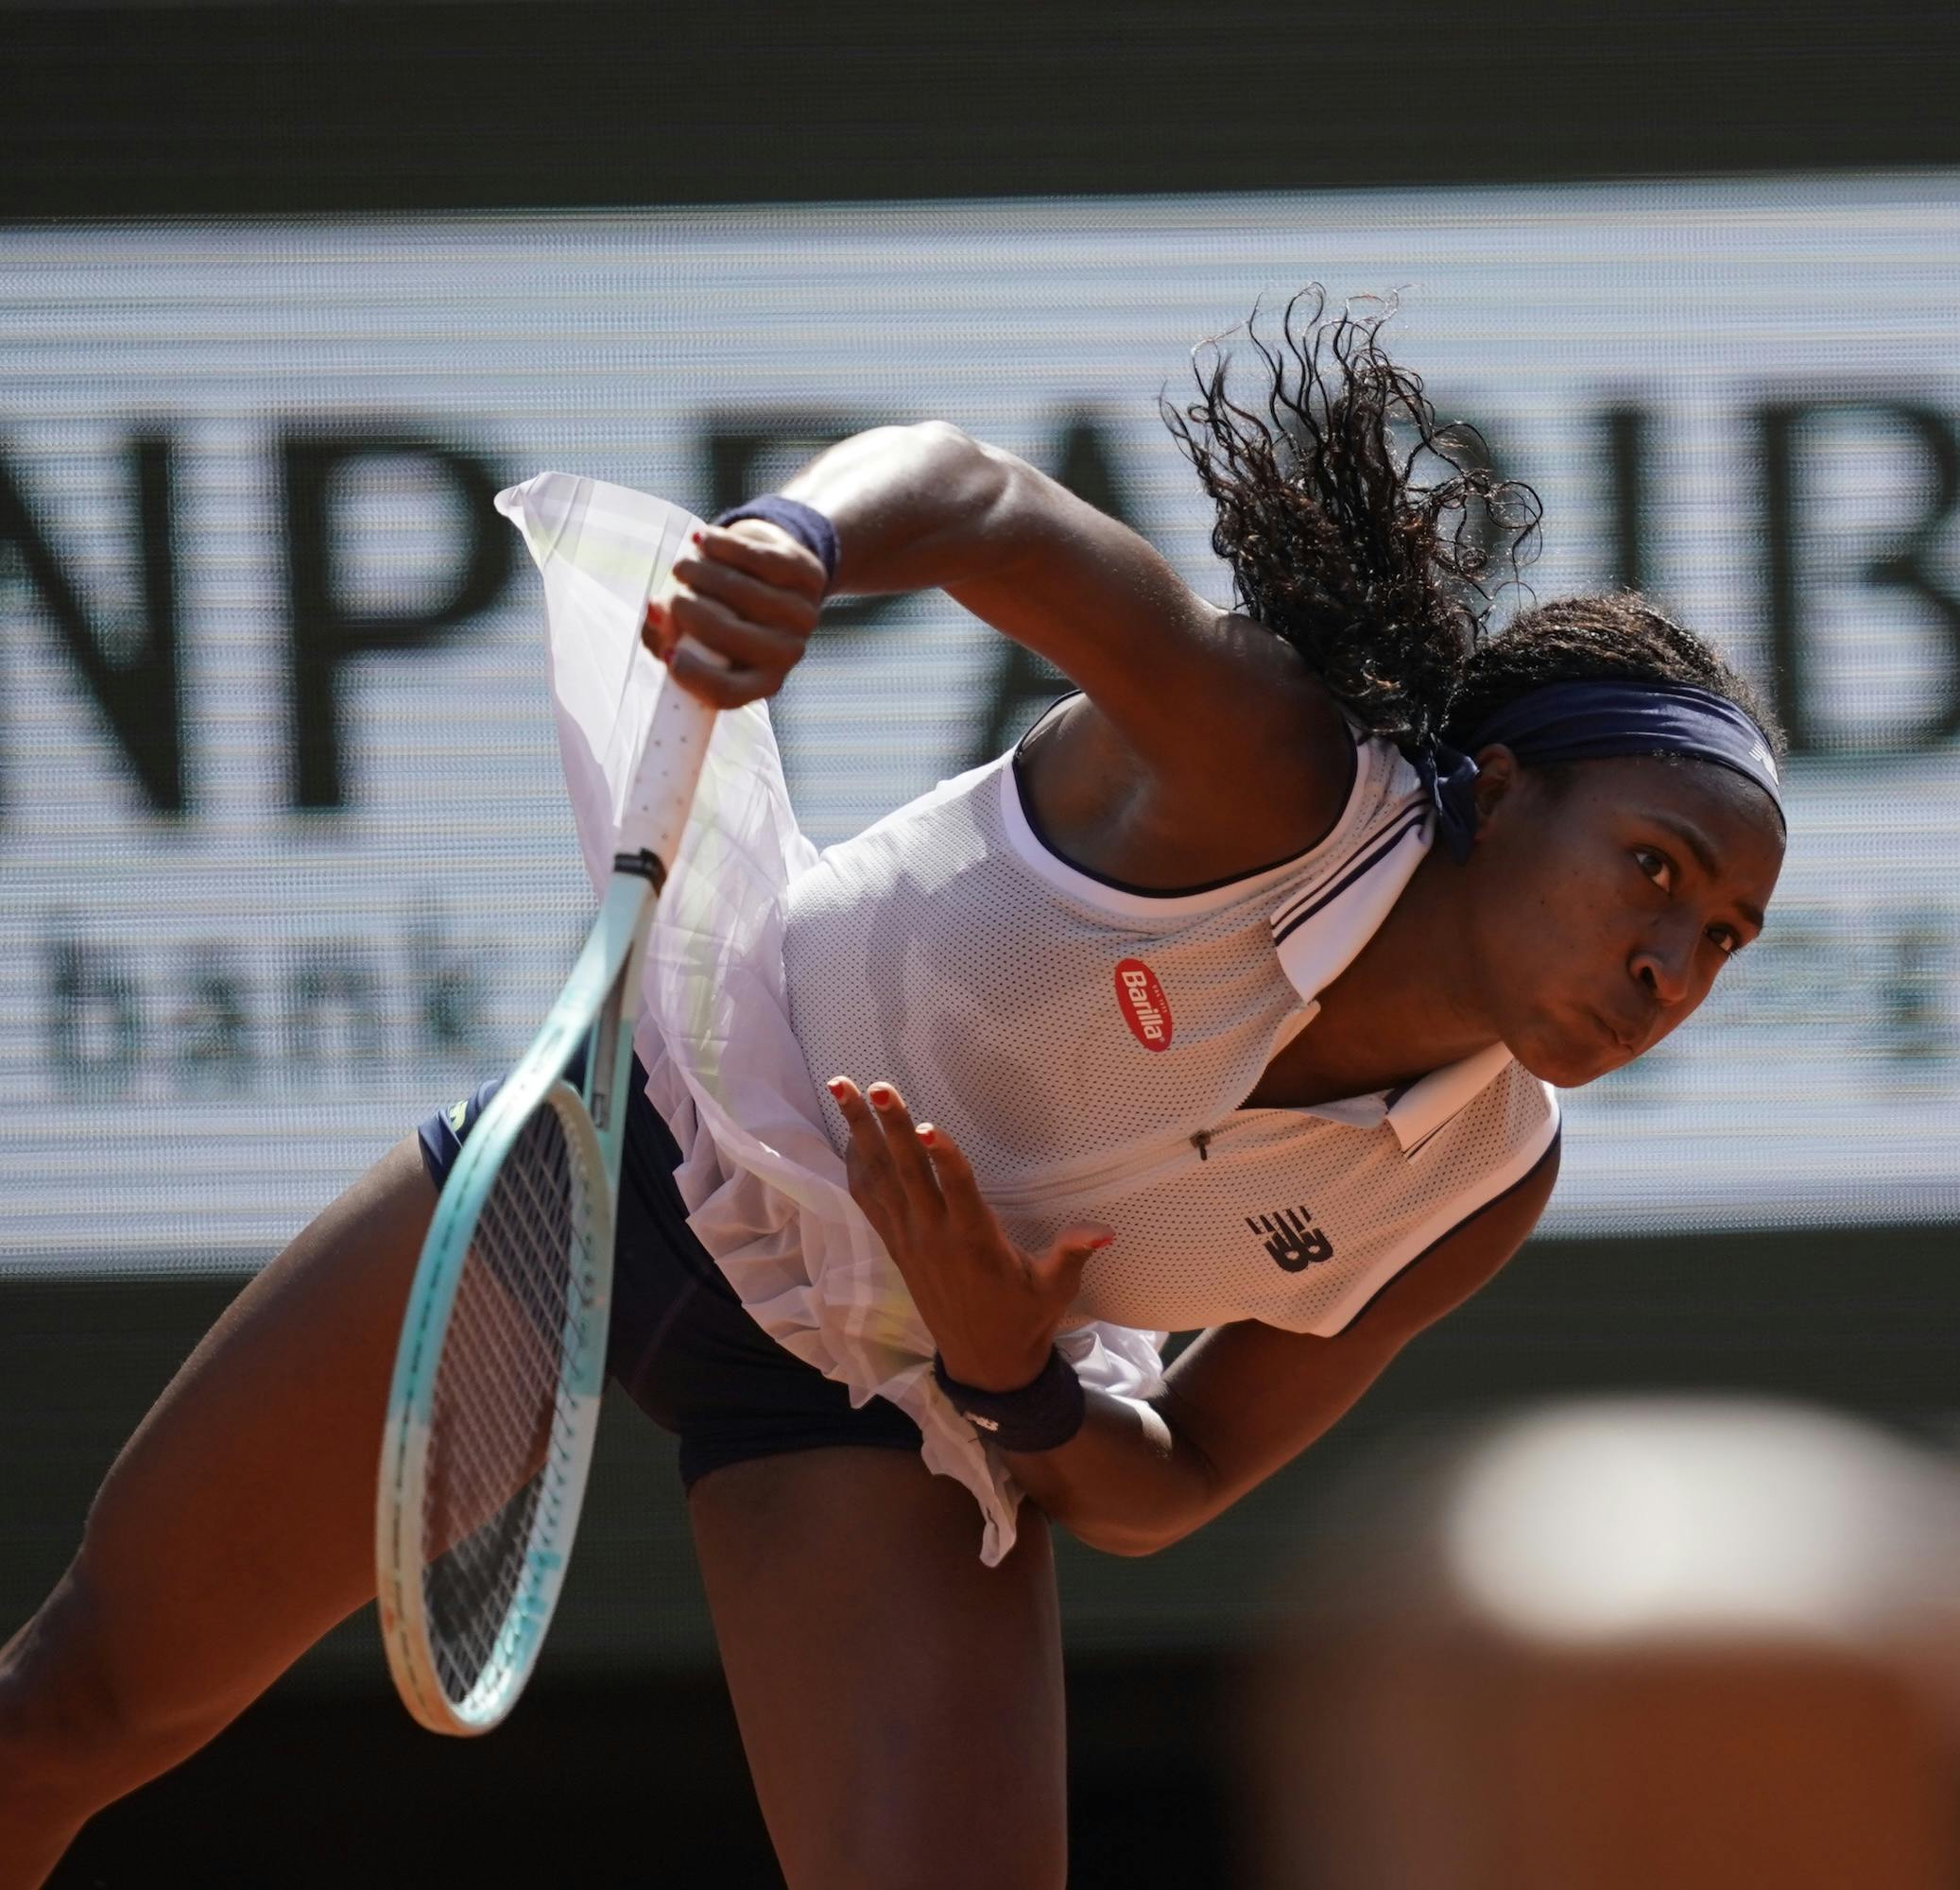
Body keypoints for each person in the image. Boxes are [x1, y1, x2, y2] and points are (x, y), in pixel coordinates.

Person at [0, 294, 1788, 1889]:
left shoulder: (1486, 1181)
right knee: (71, 1713)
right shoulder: (1261, 772)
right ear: (1491, 789)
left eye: (1723, 938)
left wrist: (1014, 1377)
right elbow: (977, 496)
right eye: (1653, 868)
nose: (1675, 965)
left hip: (893, 1406)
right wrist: (797, 541)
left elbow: (1178, 1481)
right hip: (624, 1161)